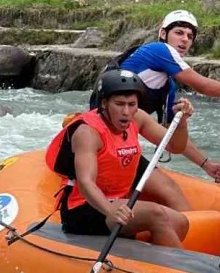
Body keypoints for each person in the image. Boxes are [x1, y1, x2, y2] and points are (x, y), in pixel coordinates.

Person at [46, 69, 192, 247]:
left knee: (180, 222)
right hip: (84, 208)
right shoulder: (88, 132)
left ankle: (150, 261)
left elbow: (176, 146)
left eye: (132, 104)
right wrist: (110, 211)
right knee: (156, 214)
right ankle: (175, 272)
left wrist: (182, 122)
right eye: (119, 104)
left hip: (118, 203)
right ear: (104, 103)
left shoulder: (137, 118)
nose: (126, 111)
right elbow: (86, 184)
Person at [104, 9, 220, 182]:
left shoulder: (168, 87)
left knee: (169, 190)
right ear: (163, 33)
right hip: (102, 138)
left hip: (121, 144)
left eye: (190, 36)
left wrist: (205, 164)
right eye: (179, 33)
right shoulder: (159, 49)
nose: (185, 39)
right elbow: (202, 85)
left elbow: (172, 139)